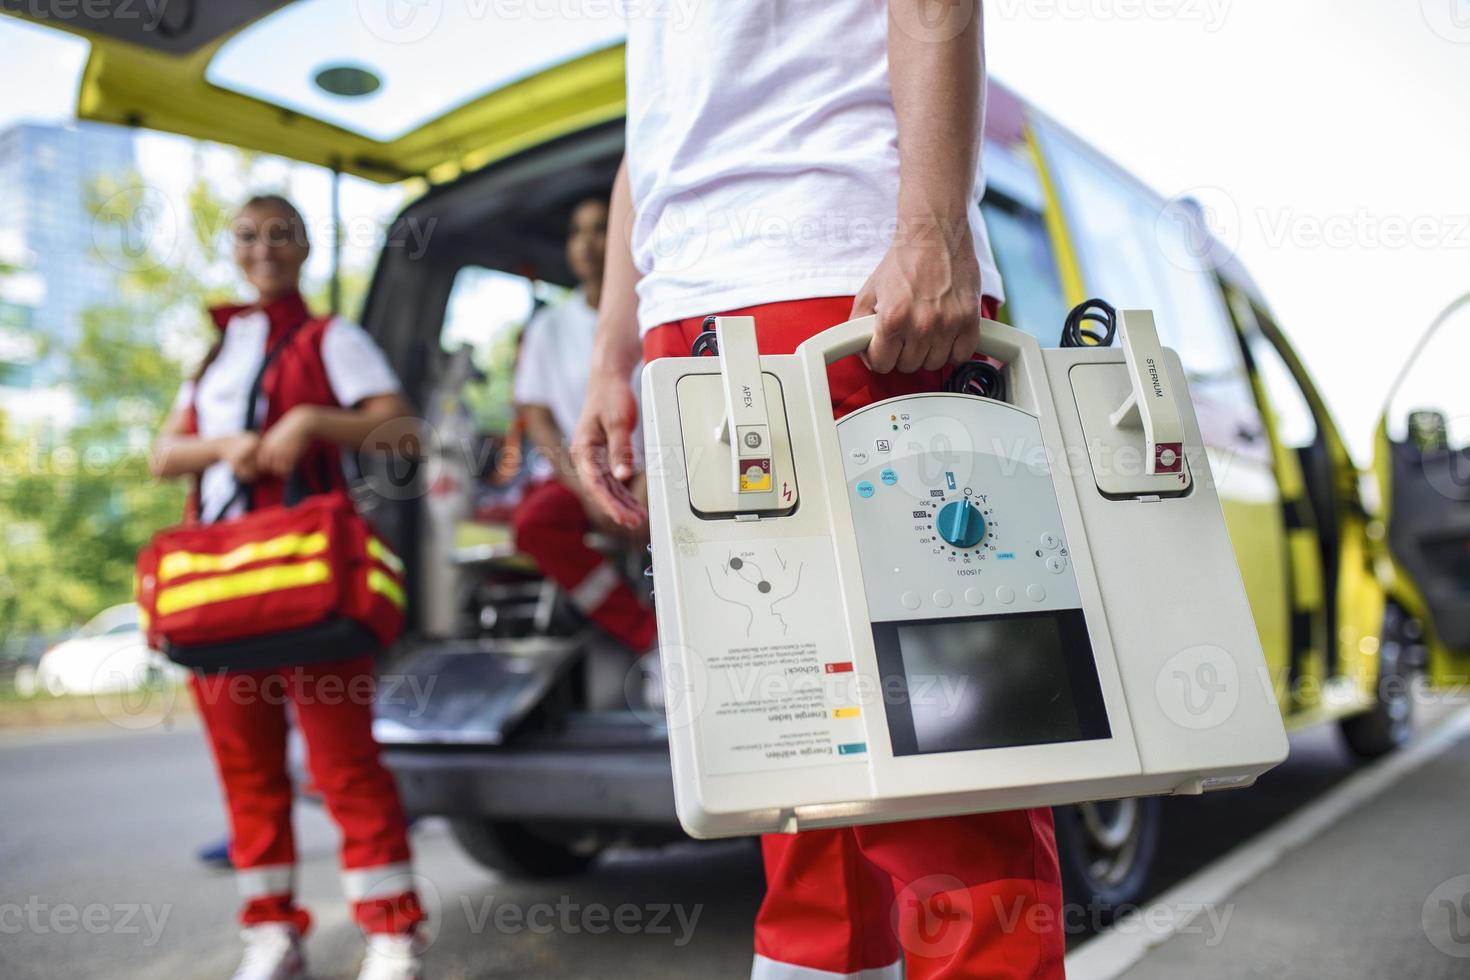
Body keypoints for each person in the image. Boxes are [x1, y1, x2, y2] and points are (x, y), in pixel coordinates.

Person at [572, 4, 1065, 978]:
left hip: (848, 286)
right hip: (700, 319)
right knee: (795, 764)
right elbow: (659, 122)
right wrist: (612, 353)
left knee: (954, 788)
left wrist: (932, 227)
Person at [151, 194, 426, 980]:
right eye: (248, 236)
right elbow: (164, 455)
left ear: (304, 248)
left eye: (280, 235)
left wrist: (309, 421)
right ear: (232, 249)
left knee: (345, 765)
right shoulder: (215, 350)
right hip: (224, 584)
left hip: (308, 587)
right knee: (247, 772)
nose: (263, 248)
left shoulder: (331, 338)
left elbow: (401, 428)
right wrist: (229, 444)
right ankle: (270, 933)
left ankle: (392, 934)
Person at [511, 196, 656, 653]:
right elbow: (538, 418)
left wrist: (653, 476)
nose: (588, 243)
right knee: (535, 523)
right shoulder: (549, 326)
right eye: (577, 232)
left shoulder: (655, 310)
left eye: (600, 229)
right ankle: (647, 636)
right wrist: (588, 487)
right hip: (580, 475)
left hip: (657, 470)